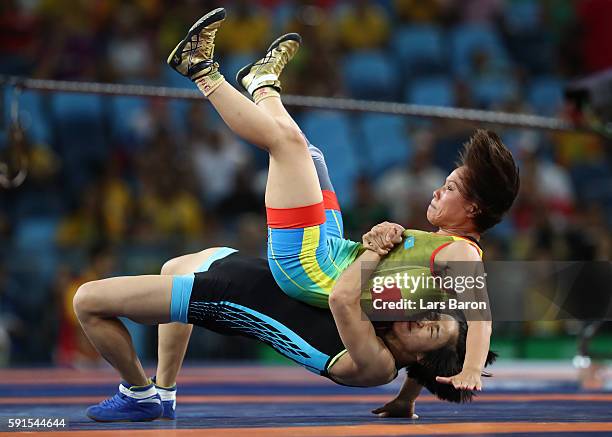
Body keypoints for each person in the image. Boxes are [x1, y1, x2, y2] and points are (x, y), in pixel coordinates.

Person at [167, 7, 519, 394]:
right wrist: (407, 397)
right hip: (335, 249)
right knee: (312, 156)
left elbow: (480, 316)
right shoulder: (443, 266)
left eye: (451, 189)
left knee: (286, 148)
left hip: (310, 266)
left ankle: (199, 67)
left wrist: (470, 371)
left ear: (473, 210)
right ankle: (262, 83)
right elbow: (427, 352)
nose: (438, 190)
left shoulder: (463, 254)